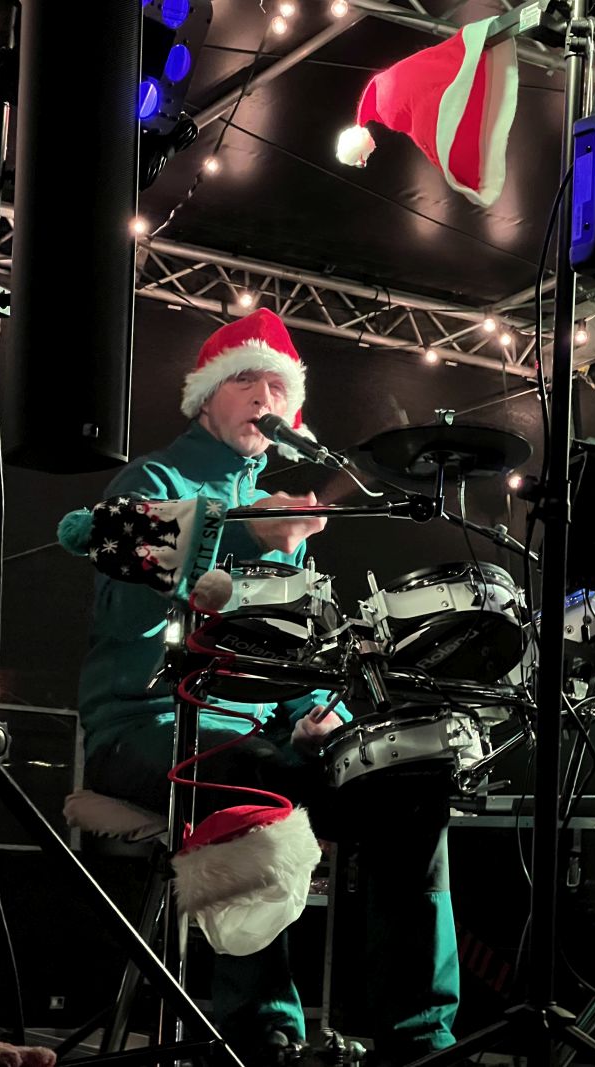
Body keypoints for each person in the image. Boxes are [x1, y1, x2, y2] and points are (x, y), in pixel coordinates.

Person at [76, 308, 459, 1066]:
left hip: (255, 738)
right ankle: (262, 1033)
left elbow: (288, 656)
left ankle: (419, 1040)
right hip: (143, 729)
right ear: (205, 399)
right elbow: (125, 620)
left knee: (406, 785)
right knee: (256, 775)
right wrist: (238, 533)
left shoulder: (277, 515)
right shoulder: (150, 481)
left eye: (279, 386)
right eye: (245, 380)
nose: (264, 395)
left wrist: (322, 716)